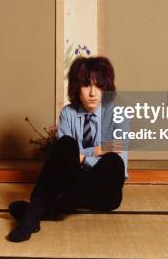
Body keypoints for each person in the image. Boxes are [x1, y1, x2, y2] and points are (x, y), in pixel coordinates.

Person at [7, 55, 128, 242]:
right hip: (74, 185)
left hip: (106, 192)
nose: (93, 93)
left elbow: (119, 147)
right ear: (76, 87)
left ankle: (38, 211)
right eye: (87, 85)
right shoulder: (68, 113)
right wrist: (95, 151)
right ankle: (36, 214)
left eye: (99, 86)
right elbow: (67, 158)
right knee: (65, 145)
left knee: (113, 161)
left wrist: (84, 156)